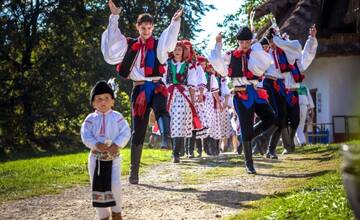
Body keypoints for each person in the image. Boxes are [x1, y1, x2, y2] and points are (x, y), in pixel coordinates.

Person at [101, 0, 183, 184]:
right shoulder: (129, 45)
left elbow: (169, 38)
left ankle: (165, 138)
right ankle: (134, 171)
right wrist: (114, 16)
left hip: (156, 86)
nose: (146, 31)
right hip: (139, 89)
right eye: (143, 28)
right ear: (138, 28)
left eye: (149, 27)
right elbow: (112, 41)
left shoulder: (158, 44)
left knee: (162, 109)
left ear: (153, 27)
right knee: (137, 130)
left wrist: (174, 22)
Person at [208, 27, 275, 174]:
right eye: (242, 42)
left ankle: (252, 137)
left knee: (271, 118)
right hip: (241, 94)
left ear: (250, 41)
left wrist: (259, 45)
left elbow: (267, 61)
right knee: (245, 127)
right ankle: (249, 163)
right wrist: (218, 44)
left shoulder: (255, 53)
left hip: (256, 92)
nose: (244, 45)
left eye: (247, 42)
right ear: (238, 41)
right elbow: (216, 61)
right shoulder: (230, 55)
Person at [81, 80, 131, 220]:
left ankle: (116, 213)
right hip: (95, 159)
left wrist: (117, 144)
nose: (103, 102)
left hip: (113, 159)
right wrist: (96, 144)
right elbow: (85, 134)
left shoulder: (117, 117)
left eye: (106, 98)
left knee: (115, 185)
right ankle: (102, 216)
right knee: (97, 187)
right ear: (93, 103)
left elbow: (126, 132)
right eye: (99, 99)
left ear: (112, 101)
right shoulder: (90, 119)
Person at [165, 40, 200, 162]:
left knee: (179, 123)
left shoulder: (189, 65)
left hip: (182, 95)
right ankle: (173, 150)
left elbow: (191, 84)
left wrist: (192, 102)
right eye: (175, 48)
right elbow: (163, 80)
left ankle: (176, 152)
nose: (177, 51)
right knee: (170, 121)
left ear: (183, 51)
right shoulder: (167, 63)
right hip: (169, 94)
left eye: (179, 49)